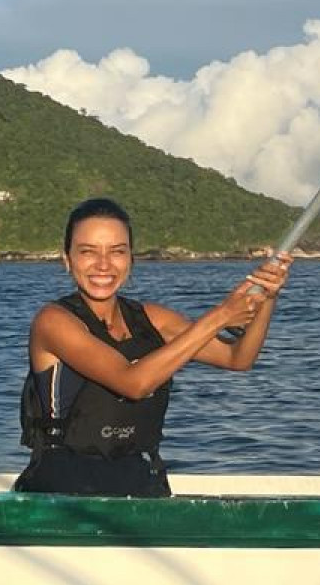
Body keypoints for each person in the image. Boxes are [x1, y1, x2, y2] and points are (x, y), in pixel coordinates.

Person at [16, 196, 292, 496]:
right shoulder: (53, 321)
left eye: (117, 252)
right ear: (67, 260)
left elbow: (237, 357)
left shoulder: (153, 319)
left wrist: (267, 296)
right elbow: (133, 382)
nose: (104, 264)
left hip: (139, 478)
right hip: (63, 486)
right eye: (87, 252)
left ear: (131, 259)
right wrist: (222, 315)